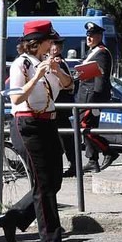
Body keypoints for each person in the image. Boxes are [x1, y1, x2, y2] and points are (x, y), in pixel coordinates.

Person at [0, 20, 75, 242]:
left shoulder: (48, 63)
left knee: (55, 180)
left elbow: (69, 86)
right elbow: (17, 99)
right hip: (27, 124)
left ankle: (14, 217)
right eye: (49, 40)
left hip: (49, 122)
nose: (53, 44)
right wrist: (37, 75)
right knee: (43, 184)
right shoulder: (21, 64)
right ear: (37, 43)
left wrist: (57, 71)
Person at [76, 20, 116, 172]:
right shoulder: (92, 51)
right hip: (85, 96)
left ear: (99, 36)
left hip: (91, 97)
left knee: (85, 128)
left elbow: (100, 79)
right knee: (87, 128)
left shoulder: (101, 53)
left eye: (92, 35)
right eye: (88, 35)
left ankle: (108, 150)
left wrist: (95, 100)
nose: (89, 38)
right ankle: (92, 159)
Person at [48, 38, 78, 175]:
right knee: (61, 137)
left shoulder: (59, 62)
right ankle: (70, 164)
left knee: (65, 137)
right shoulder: (53, 60)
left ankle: (73, 165)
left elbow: (68, 83)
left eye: (58, 46)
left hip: (60, 105)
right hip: (57, 105)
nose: (56, 48)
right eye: (54, 45)